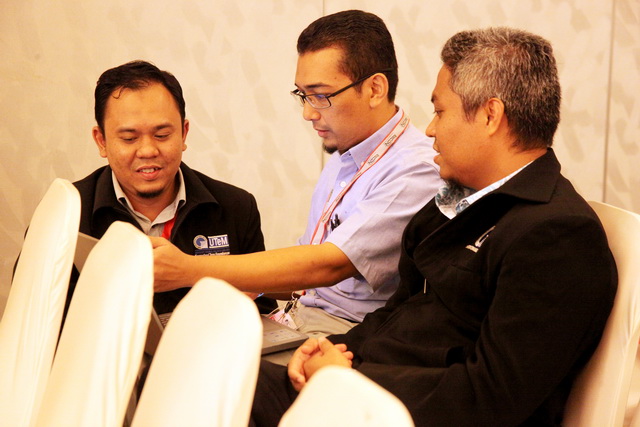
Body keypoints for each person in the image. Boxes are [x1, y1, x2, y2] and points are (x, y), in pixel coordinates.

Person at [249, 27, 618, 426]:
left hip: (390, 412)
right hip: (362, 392)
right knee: (223, 372)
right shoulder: (460, 202)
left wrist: (350, 381)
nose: (429, 130)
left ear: (490, 116)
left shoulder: (557, 235)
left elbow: (491, 398)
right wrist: (334, 349)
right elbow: (398, 314)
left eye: (440, 112)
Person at [151, 10, 441, 341]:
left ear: (375, 89)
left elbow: (327, 265)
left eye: (321, 96)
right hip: (301, 315)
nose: (308, 112)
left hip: (349, 333)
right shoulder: (345, 153)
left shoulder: (415, 169)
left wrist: (189, 270)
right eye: (303, 95)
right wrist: (247, 284)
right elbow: (307, 268)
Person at [71, 60, 275, 316]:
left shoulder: (236, 207)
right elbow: (43, 321)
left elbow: (263, 311)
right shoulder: (67, 216)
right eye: (129, 138)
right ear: (101, 141)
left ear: (184, 133)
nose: (148, 151)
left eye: (162, 135)